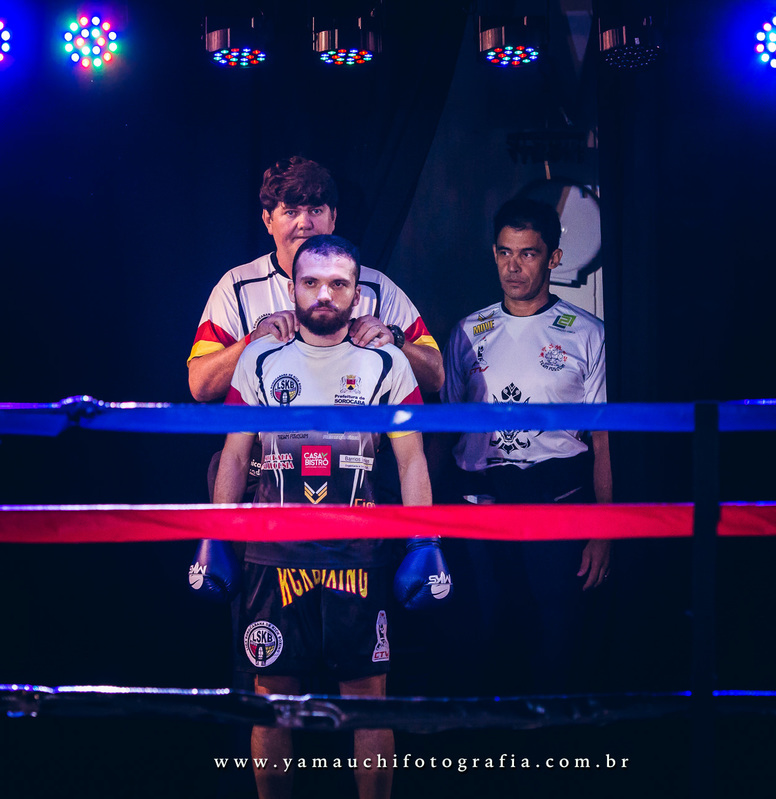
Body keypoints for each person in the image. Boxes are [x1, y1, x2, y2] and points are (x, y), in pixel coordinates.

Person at [208, 234, 448, 799]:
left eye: (338, 284)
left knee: (368, 702)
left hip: (357, 554)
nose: (323, 294)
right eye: (311, 282)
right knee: (273, 701)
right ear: (293, 288)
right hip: (274, 554)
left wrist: (424, 542)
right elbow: (235, 455)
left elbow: (412, 459)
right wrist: (214, 537)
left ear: (356, 293)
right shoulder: (259, 358)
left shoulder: (387, 361)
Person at [438, 197, 612, 694]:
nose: (513, 266)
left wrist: (605, 530)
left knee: (555, 642)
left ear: (553, 258)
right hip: (478, 504)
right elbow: (442, 432)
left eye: (528, 253)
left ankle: (550, 737)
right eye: (504, 252)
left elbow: (605, 440)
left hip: (556, 503)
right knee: (478, 638)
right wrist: (427, 526)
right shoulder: (467, 332)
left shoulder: (587, 334)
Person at [187, 156, 443, 402]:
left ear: (333, 218)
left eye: (315, 210)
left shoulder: (375, 286)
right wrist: (252, 341)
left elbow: (436, 378)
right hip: (270, 433)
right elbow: (200, 385)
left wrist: (395, 339)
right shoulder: (238, 285)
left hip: (356, 431)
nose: (304, 223)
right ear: (268, 220)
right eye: (290, 212)